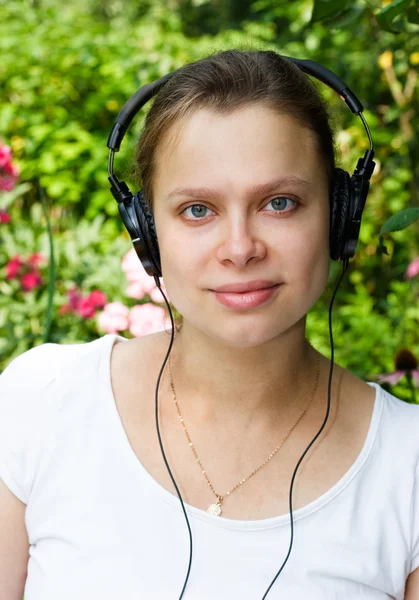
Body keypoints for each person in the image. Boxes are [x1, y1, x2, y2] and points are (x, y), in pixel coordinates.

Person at [0, 49, 418, 600]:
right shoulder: (42, 402)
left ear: (341, 214)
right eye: (198, 209)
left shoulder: (408, 466)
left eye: (280, 202)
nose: (241, 249)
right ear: (147, 232)